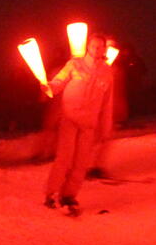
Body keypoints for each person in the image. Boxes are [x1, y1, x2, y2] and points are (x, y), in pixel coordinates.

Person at [41, 33, 114, 216]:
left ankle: (69, 195)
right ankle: (52, 193)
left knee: (81, 162)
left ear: (104, 49)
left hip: (89, 123)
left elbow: (107, 104)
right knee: (64, 157)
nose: (96, 49)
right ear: (88, 47)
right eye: (93, 46)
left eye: (100, 47)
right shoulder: (75, 64)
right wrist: (50, 87)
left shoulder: (107, 72)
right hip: (70, 117)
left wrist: (105, 127)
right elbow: (59, 81)